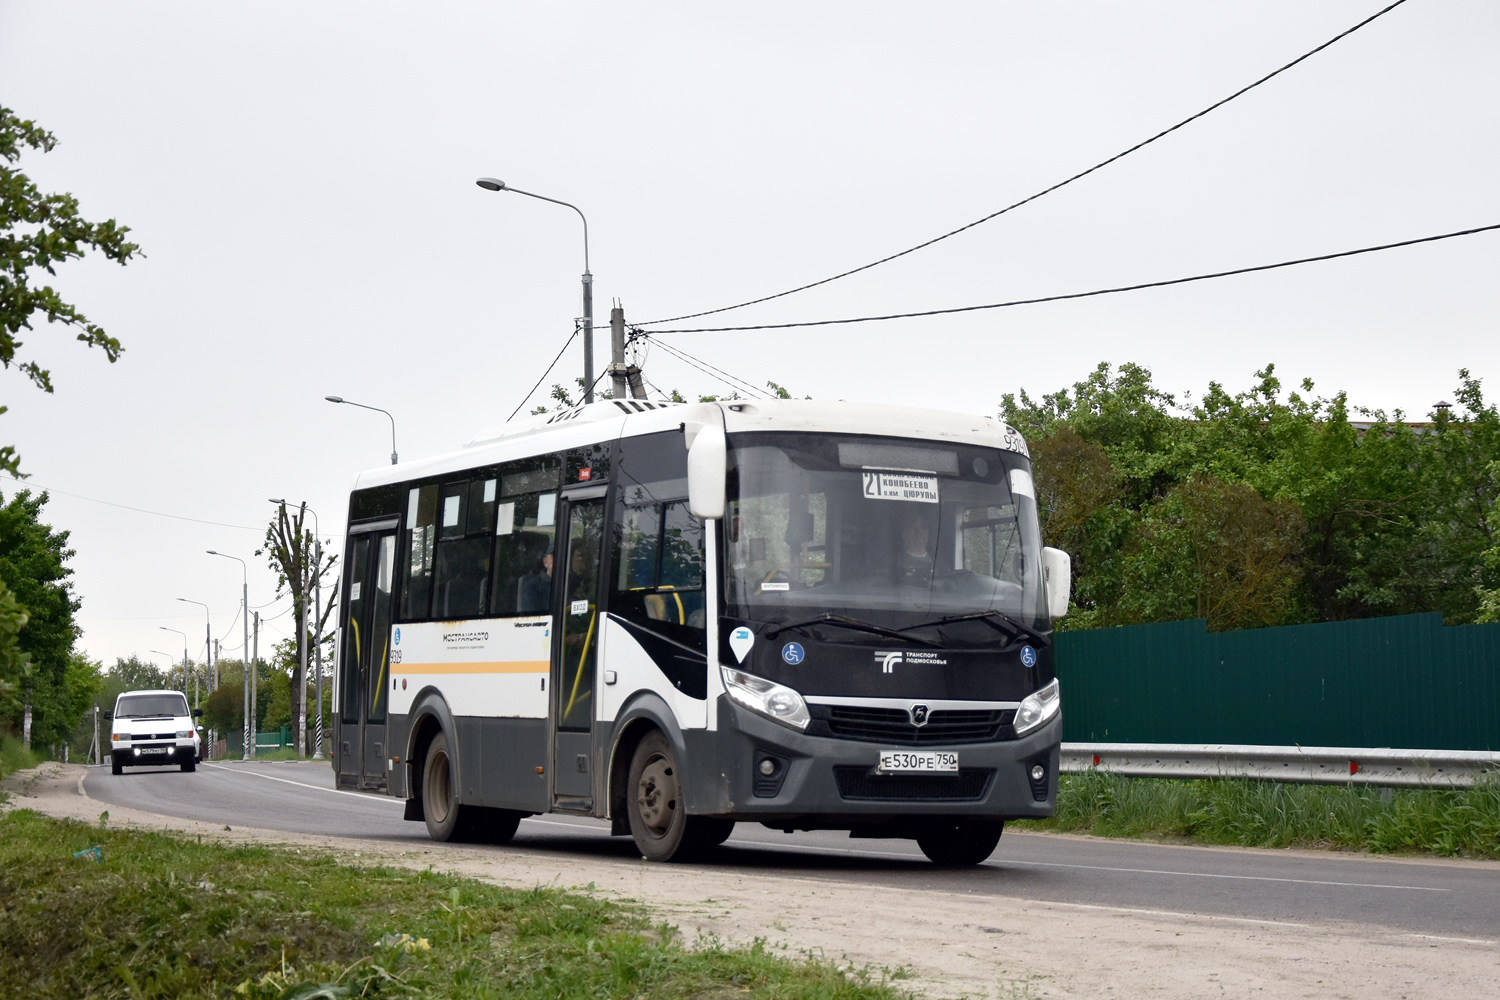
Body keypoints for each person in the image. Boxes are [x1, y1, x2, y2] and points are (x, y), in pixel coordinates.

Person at [519, 547, 553, 613]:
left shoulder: (571, 583)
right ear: (545, 562)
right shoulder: (532, 586)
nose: (559, 560)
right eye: (554, 556)